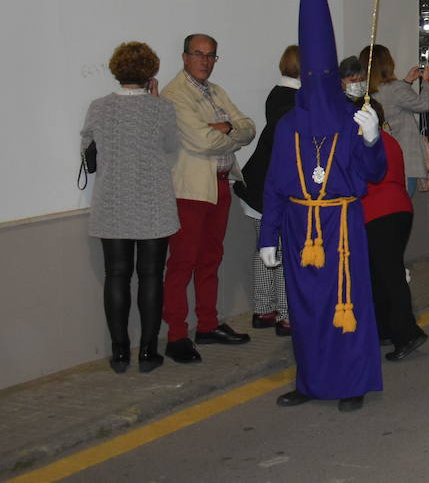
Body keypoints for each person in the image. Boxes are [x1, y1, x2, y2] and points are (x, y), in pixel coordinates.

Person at [259, 0, 388, 411]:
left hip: (341, 226)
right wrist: (268, 237)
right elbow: (274, 184)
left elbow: (374, 174)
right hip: (297, 228)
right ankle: (310, 380)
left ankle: (350, 381)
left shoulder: (354, 117)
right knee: (306, 309)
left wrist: (373, 140)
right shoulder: (289, 124)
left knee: (345, 305)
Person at [81, 41, 180, 373]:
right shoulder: (161, 108)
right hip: (154, 204)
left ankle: (120, 353)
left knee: (116, 276)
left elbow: (87, 148)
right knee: (152, 275)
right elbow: (171, 151)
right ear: (150, 72)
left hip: (112, 203)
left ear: (116, 70)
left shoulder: (98, 107)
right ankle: (149, 353)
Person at [160, 33, 256, 364]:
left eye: (211, 55)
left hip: (220, 184)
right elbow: (201, 142)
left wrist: (226, 127)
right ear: (184, 56)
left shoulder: (216, 92)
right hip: (190, 189)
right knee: (182, 262)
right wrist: (230, 132)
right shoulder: (174, 94)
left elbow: (249, 128)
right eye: (198, 54)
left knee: (211, 258)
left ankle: (207, 324)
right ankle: (175, 336)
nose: (205, 61)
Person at [352, 90, 427, 362]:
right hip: (400, 210)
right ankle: (385, 329)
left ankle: (407, 333)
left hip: (377, 214)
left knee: (389, 277)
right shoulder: (389, 140)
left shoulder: (362, 143)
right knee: (381, 275)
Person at [236, 45, 299, 337]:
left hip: (257, 185)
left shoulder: (277, 93)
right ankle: (287, 315)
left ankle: (264, 309)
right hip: (276, 188)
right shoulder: (297, 100)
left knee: (265, 248)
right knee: (286, 252)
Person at [357, 44, 429, 196]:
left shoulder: (364, 92)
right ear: (388, 64)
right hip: (403, 160)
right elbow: (425, 104)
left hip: (379, 160)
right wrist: (426, 82)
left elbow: (394, 102)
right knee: (403, 205)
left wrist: (406, 82)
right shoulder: (396, 89)